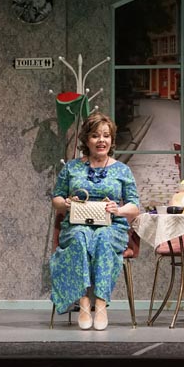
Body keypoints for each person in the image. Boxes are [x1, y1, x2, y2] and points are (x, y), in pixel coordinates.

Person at [49, 111, 140, 331]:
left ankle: (100, 303)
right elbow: (56, 198)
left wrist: (118, 209)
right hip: (76, 225)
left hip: (111, 226)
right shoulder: (72, 167)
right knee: (80, 237)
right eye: (95, 135)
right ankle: (83, 302)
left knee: (103, 238)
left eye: (106, 136)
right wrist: (66, 203)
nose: (101, 140)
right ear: (86, 140)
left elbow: (135, 205)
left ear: (112, 140)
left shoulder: (122, 170)